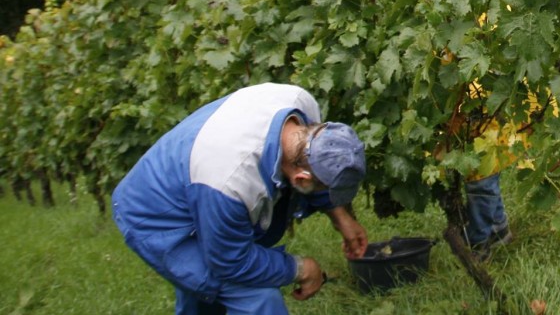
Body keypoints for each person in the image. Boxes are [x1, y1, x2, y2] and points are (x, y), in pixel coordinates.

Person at [111, 82, 369, 315]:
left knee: (208, 292)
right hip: (154, 213)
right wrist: (300, 268)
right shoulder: (230, 180)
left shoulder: (300, 104)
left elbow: (315, 161)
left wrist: (341, 218)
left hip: (194, 182)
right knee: (255, 296)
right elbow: (231, 261)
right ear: (301, 179)